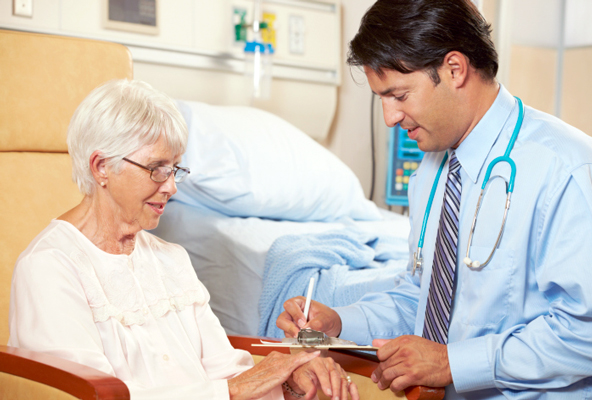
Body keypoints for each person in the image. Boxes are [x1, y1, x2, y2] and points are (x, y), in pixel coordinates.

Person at [277, 0, 592, 398]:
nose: (389, 117)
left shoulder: (567, 168)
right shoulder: (433, 171)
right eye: (381, 99)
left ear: (454, 69)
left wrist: (452, 362)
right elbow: (423, 297)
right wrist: (339, 324)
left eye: (399, 95)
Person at [8, 79, 359, 400]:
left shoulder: (170, 259)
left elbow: (226, 371)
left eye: (175, 169)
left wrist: (290, 380)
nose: (171, 186)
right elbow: (90, 393)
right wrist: (236, 388)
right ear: (101, 167)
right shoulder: (50, 267)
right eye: (156, 169)